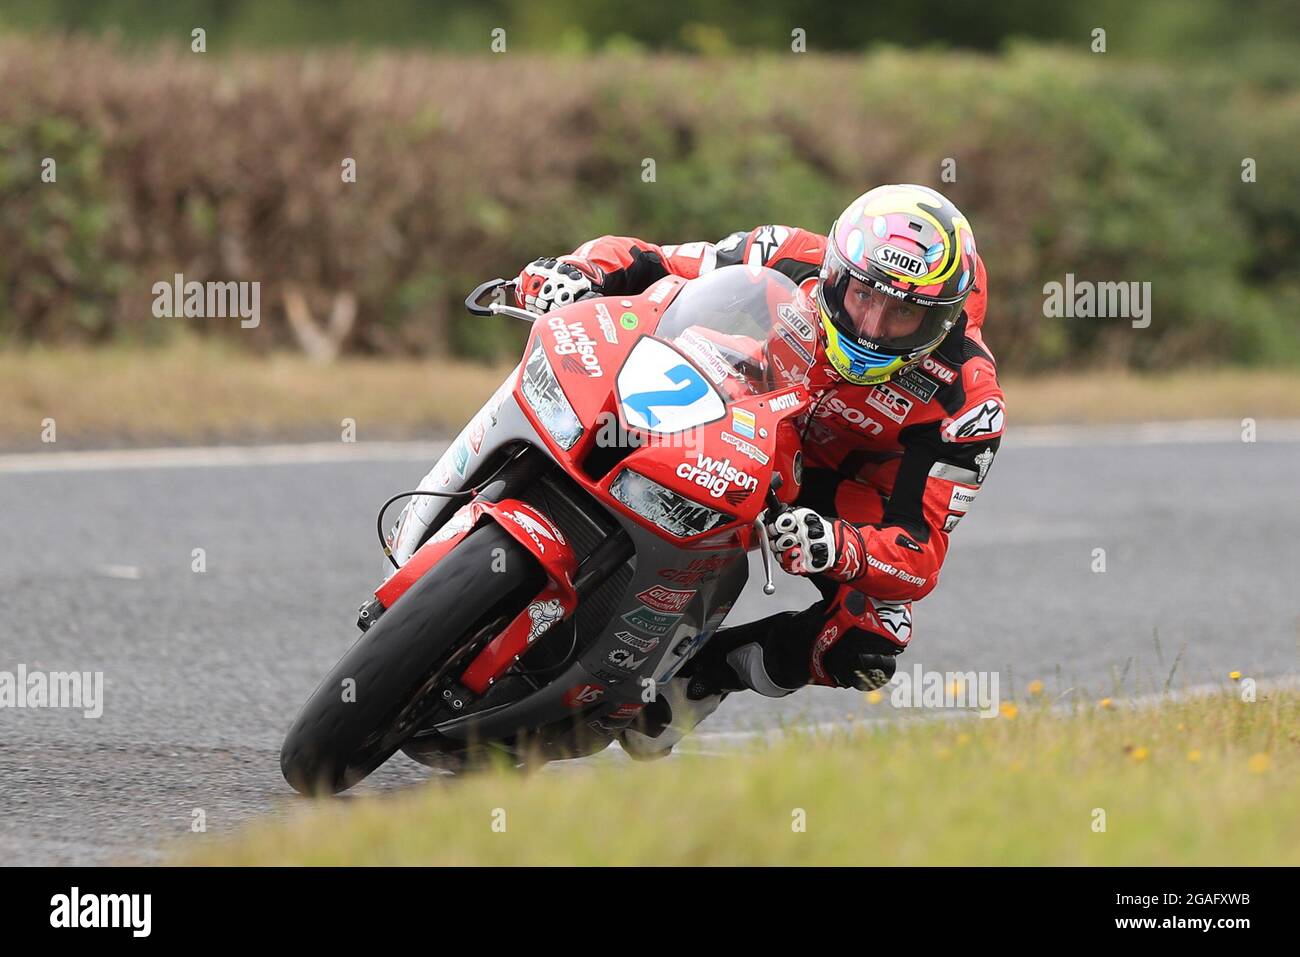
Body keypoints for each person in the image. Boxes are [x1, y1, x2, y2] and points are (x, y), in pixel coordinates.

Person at [514, 184, 1006, 756]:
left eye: (902, 314)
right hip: (736, 405)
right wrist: (578, 272)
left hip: (835, 494)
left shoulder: (969, 401)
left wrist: (839, 547)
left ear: (940, 322)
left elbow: (919, 553)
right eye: (862, 296)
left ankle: (704, 677)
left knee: (872, 639)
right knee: (588, 376)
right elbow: (655, 259)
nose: (872, 324)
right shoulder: (789, 253)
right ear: (835, 272)